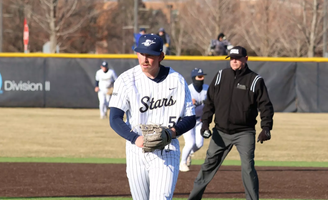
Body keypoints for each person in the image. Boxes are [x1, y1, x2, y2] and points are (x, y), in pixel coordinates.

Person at [109, 34, 196, 200]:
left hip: (167, 149)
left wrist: (172, 132)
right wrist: (135, 138)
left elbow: (190, 118)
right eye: (141, 54)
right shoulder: (126, 80)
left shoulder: (176, 80)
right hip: (136, 151)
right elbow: (114, 119)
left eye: (150, 55)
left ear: (161, 56)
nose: (145, 59)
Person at [188, 46, 274, 200]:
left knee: (248, 168)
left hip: (244, 132)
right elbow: (210, 103)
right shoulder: (221, 75)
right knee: (208, 166)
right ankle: (193, 198)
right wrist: (206, 123)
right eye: (231, 58)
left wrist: (266, 128)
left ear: (246, 59)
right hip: (220, 132)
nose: (234, 61)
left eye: (237, 58)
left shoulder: (255, 80)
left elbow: (265, 106)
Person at [180, 68, 209, 172]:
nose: (202, 78)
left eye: (203, 76)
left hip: (199, 120)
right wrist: (188, 104)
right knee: (190, 143)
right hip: (187, 119)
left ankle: (188, 154)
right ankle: (182, 163)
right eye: (199, 76)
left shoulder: (207, 89)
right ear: (194, 78)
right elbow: (180, 106)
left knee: (199, 144)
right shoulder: (188, 90)